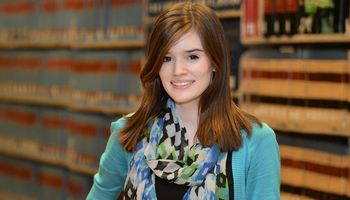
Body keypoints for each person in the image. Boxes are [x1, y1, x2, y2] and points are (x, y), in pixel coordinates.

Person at [87, 2, 280, 200]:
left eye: (192, 56)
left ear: (215, 62)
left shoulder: (255, 142)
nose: (178, 70)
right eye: (167, 59)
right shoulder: (130, 133)